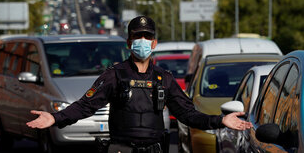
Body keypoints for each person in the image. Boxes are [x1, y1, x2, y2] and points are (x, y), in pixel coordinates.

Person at [26, 16, 252, 153]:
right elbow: (86, 105)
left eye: (146, 36)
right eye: (137, 37)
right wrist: (55, 118)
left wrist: (221, 120)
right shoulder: (114, 75)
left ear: (154, 43)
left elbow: (188, 115)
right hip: (120, 149)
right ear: (128, 42)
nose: (142, 41)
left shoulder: (164, 79)